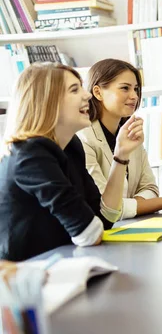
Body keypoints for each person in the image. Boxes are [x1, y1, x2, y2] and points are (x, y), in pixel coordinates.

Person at [0, 62, 143, 261]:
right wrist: (92, 226)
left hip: (61, 266)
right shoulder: (30, 154)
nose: (88, 95)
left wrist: (121, 154)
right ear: (47, 100)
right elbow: (89, 232)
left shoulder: (71, 147)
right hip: (26, 277)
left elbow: (104, 218)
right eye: (75, 90)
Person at [77, 59, 162, 220]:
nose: (134, 96)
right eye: (125, 88)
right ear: (98, 92)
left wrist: (127, 206)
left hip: (131, 227)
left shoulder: (130, 132)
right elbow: (105, 208)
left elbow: (150, 188)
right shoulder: (83, 138)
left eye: (136, 89)